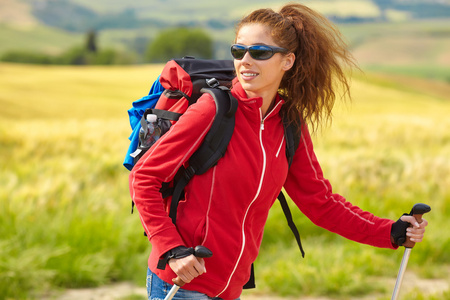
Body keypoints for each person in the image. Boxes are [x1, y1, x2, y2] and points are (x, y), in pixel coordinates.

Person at [129, 3, 428, 300]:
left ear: (287, 61)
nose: (245, 61)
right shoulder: (214, 109)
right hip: (182, 285)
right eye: (238, 51)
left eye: (259, 52)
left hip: (229, 288)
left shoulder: (288, 122)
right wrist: (171, 250)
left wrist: (389, 231)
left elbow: (321, 203)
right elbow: (144, 178)